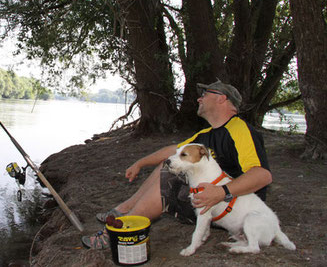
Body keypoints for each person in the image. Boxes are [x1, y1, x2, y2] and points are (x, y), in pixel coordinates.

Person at [82, 80, 272, 249]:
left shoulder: (239, 129)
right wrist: (140, 163)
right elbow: (172, 152)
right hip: (211, 200)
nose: (199, 99)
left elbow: (262, 175)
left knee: (169, 182)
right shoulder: (205, 135)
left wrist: (221, 192)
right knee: (169, 164)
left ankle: (116, 233)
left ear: (222, 99)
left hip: (233, 208)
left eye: (205, 95)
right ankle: (123, 210)